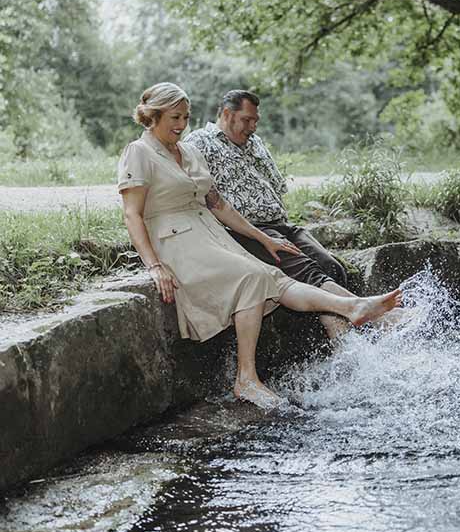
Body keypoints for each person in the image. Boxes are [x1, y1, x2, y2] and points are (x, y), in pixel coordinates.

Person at [117, 82, 402, 409]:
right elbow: (132, 214)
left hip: (210, 232)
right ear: (153, 116)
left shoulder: (189, 152)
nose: (182, 124)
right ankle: (247, 379)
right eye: (174, 117)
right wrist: (154, 266)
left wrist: (264, 238)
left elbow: (218, 204)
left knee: (273, 277)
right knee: (253, 277)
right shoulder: (139, 152)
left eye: (186, 117)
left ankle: (352, 307)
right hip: (175, 241)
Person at [185, 89, 352, 339]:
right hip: (247, 230)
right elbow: (202, 197)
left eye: (256, 120)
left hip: (281, 224)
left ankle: (338, 335)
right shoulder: (199, 142)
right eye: (247, 120)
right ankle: (364, 317)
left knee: (332, 266)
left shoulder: (256, 142)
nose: (253, 126)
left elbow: (276, 185)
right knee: (307, 271)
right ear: (227, 114)